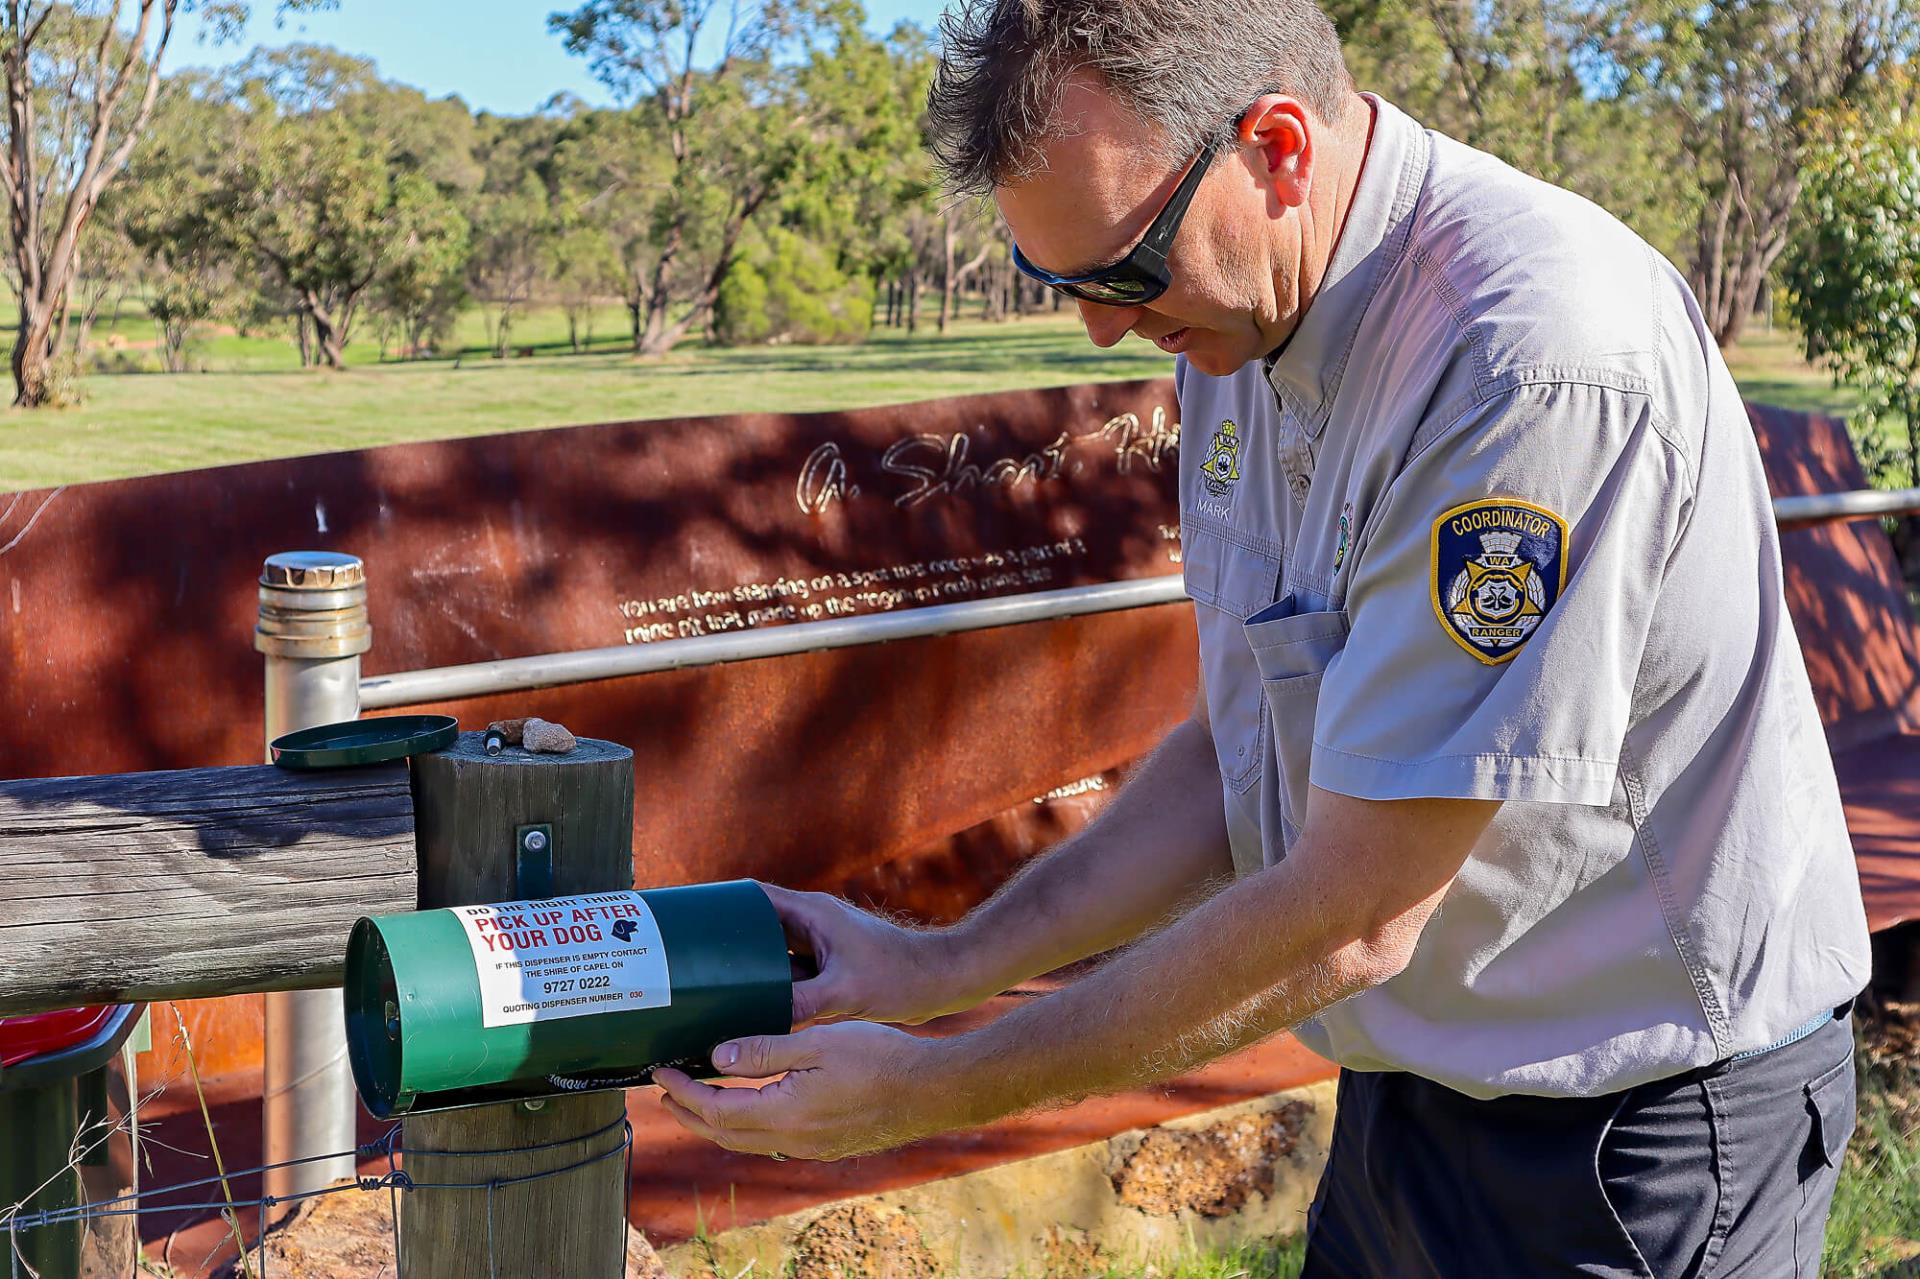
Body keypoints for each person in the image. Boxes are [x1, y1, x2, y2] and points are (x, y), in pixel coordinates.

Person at [653, 0, 1873, 1272]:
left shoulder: (1528, 359)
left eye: (1123, 271)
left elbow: (1357, 906)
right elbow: (1235, 757)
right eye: (1054, 279)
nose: (1102, 329)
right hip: (1409, 1090)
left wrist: (929, 1092)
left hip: (1636, 1126)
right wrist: (938, 967)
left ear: (1277, 147)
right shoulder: (1236, 326)